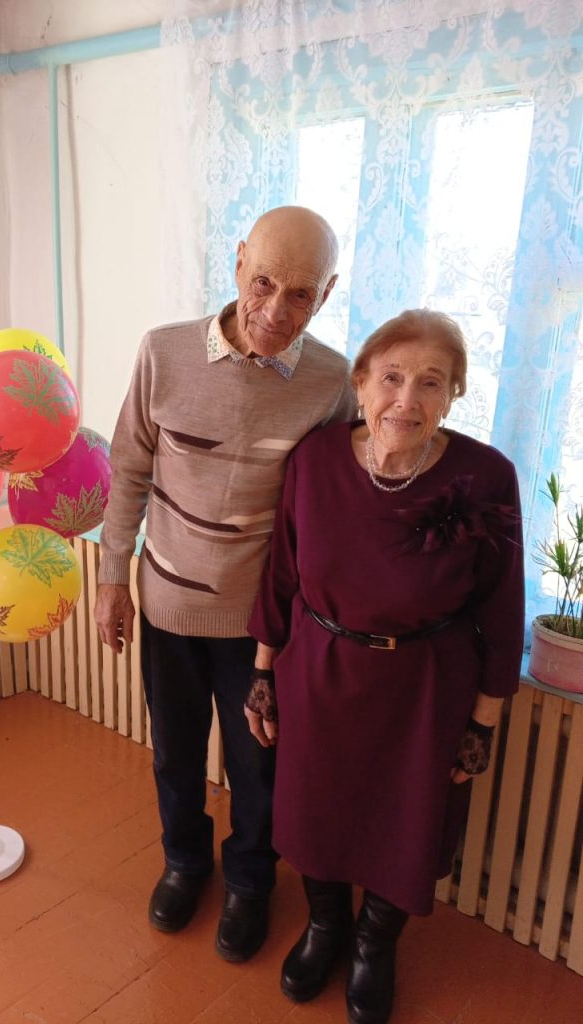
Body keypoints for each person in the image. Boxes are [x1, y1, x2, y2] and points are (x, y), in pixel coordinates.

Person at [245, 309, 524, 1023]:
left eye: (431, 382)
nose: (407, 399)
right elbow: (282, 574)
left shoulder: (488, 476)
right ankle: (326, 925)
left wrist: (483, 723)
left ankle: (375, 943)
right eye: (392, 377)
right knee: (314, 809)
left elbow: (501, 608)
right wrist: (263, 673)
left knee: (409, 821)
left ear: (453, 396)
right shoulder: (314, 461)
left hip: (425, 688)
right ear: (360, 383)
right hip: (319, 672)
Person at [94, 206, 356, 962]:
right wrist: (112, 578)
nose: (276, 310)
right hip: (167, 604)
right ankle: (184, 862)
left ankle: (249, 882)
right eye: (264, 281)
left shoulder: (332, 382)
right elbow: (129, 469)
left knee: (257, 766)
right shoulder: (164, 352)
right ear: (239, 261)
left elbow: (329, 506)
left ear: (327, 293)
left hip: (262, 628)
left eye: (301, 294)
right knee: (174, 754)